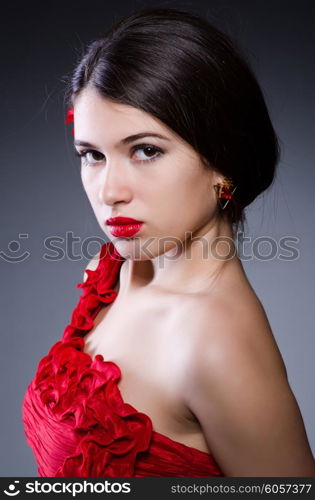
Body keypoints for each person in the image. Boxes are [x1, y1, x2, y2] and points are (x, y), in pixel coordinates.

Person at [22, 6, 315, 477]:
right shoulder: (115, 271)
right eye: (92, 155)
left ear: (224, 161)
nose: (110, 191)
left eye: (146, 150)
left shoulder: (213, 338)